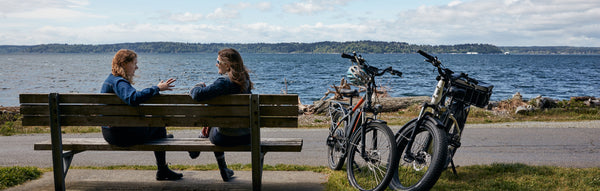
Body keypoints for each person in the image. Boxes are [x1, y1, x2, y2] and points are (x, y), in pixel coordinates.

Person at [100, 49, 182, 181]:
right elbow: (133, 98)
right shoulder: (119, 82)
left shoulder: (110, 80)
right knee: (158, 125)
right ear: (124, 63)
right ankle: (162, 169)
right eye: (134, 63)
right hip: (120, 136)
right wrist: (157, 88)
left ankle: (164, 141)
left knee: (155, 126)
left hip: (109, 132)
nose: (137, 67)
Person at [188, 48, 253, 181]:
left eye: (218, 61)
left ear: (227, 65)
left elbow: (198, 95)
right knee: (218, 115)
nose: (216, 64)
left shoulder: (223, 82)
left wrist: (197, 86)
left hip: (224, 138)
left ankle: (202, 140)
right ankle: (224, 169)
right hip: (248, 137)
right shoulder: (245, 80)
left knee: (216, 120)